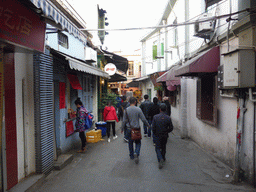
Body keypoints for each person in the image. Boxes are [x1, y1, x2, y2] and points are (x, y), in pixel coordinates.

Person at [121, 97, 150, 164]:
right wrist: (148, 125)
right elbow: (143, 119)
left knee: (130, 142)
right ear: (135, 102)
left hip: (128, 129)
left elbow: (124, 120)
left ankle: (131, 155)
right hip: (136, 129)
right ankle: (136, 153)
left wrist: (122, 128)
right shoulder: (138, 109)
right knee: (138, 142)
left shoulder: (126, 110)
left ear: (129, 102)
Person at [152, 103, 173, 169]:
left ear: (160, 109)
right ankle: (163, 157)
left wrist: (155, 133)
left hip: (158, 134)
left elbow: (153, 128)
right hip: (165, 135)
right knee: (163, 147)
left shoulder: (155, 117)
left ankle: (160, 158)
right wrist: (167, 131)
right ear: (166, 109)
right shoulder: (168, 117)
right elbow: (171, 127)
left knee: (157, 148)